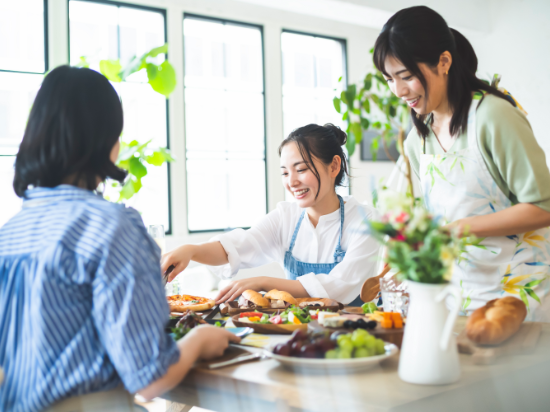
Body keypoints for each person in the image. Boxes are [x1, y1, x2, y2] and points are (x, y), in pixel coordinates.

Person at [0, 66, 239, 412]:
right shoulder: (113, 226)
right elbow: (150, 378)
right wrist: (201, 339)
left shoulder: (10, 233)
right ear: (108, 140)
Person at [373, 6, 550, 321]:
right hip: (456, 300)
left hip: (519, 296)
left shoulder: (493, 116)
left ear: (444, 61)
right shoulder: (418, 139)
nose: (398, 91)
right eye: (389, 79)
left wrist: (457, 230)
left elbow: (543, 207)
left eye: (407, 76)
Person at [162, 124, 380, 306]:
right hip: (297, 332)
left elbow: (338, 287)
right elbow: (239, 246)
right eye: (285, 172)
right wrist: (190, 251)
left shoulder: (366, 220)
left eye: (301, 169)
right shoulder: (286, 216)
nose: (292, 182)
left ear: (333, 166)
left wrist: (264, 283)